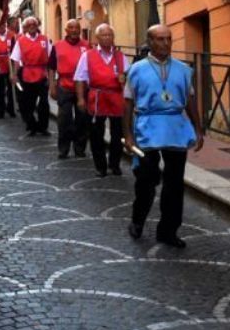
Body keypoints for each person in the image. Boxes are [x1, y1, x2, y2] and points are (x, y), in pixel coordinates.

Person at [123, 24, 203, 248]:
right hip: (147, 127)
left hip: (176, 128)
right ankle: (138, 220)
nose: (166, 43)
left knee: (175, 184)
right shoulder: (136, 69)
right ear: (149, 42)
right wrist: (128, 134)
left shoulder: (183, 69)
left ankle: (168, 230)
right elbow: (128, 103)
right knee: (146, 180)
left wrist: (198, 128)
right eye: (160, 39)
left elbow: (190, 100)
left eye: (169, 39)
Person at [75, 23, 129, 176]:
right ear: (97, 38)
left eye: (110, 35)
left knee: (117, 133)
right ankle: (100, 166)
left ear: (113, 38)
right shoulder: (88, 55)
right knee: (96, 133)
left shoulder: (120, 56)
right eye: (103, 35)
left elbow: (128, 78)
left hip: (116, 97)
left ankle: (115, 164)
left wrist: (123, 80)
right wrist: (80, 99)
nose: (107, 38)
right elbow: (80, 78)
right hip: (97, 97)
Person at [48, 19, 90, 158]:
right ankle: (63, 148)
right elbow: (51, 68)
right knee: (64, 119)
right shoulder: (57, 46)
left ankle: (79, 148)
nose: (73, 30)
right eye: (70, 27)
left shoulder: (87, 46)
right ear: (66, 30)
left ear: (79, 29)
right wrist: (52, 86)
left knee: (82, 119)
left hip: (83, 87)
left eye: (76, 27)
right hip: (64, 86)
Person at [10, 16, 51, 136]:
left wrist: (50, 76)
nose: (32, 27)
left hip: (42, 74)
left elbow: (50, 58)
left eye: (34, 24)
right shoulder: (21, 41)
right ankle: (31, 125)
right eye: (29, 25)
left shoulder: (44, 39)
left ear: (37, 26)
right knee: (28, 104)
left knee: (44, 103)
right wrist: (14, 74)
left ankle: (43, 127)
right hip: (27, 74)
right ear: (26, 28)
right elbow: (15, 59)